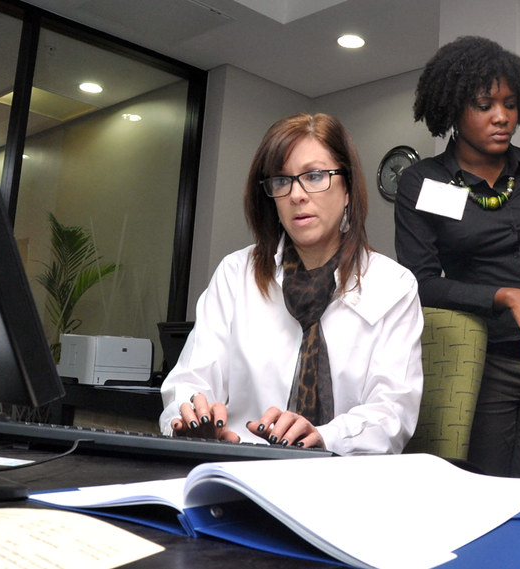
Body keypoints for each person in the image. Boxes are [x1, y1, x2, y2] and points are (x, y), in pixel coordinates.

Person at [159, 113, 424, 455]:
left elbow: (393, 412)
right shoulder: (236, 273)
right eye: (282, 181)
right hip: (238, 466)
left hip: (343, 477)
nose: (296, 194)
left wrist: (325, 435)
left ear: (347, 190)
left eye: (315, 176)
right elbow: (189, 381)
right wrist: (192, 422)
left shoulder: (393, 285)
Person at [393, 36, 520, 479]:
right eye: (484, 105)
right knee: (482, 494)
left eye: (509, 103)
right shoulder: (422, 183)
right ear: (452, 110)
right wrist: (507, 296)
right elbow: (421, 283)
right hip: (482, 364)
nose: (502, 117)